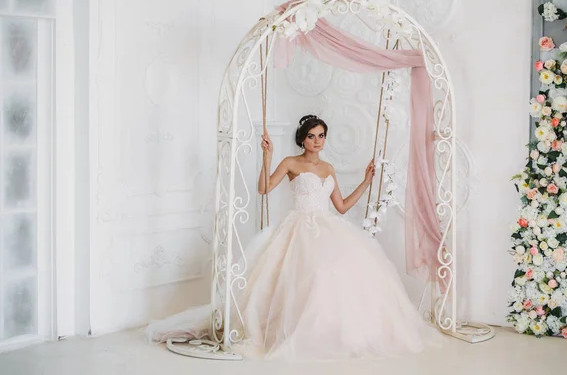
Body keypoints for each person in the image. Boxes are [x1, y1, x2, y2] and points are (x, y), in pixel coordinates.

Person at [146, 114, 442, 360]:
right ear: (302, 139)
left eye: (322, 135)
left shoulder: (328, 168)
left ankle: (328, 332)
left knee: (334, 277)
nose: (317, 141)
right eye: (312, 136)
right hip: (298, 228)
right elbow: (264, 188)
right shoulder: (290, 162)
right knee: (302, 277)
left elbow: (341, 206)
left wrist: (366, 181)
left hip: (328, 228)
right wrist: (267, 156)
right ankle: (286, 332)